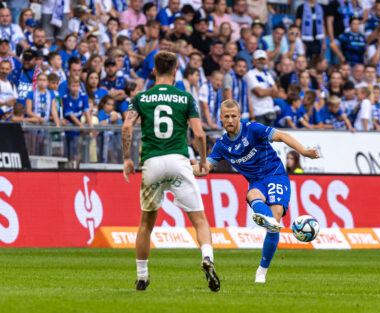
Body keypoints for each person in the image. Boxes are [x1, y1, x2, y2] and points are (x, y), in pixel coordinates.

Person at [121, 50, 220, 292]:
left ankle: (142, 277)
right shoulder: (185, 98)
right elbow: (199, 134)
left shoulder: (140, 98)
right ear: (176, 71)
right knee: (200, 221)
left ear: (153, 71)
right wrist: (203, 161)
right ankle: (207, 258)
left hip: (152, 163)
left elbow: (126, 127)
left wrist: (127, 159)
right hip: (179, 160)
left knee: (146, 224)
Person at [193, 98, 319, 283]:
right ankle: (267, 220)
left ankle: (262, 270)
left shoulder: (253, 129)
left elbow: (282, 136)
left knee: (275, 219)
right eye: (226, 116)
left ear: (239, 117)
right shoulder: (221, 145)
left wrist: (304, 151)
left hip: (275, 174)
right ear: (220, 118)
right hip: (256, 181)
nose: (230, 120)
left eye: (233, 116)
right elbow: (205, 169)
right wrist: (184, 170)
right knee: (252, 195)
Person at [246, 50, 277, 126]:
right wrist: (270, 90)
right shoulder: (250, 74)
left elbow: (276, 91)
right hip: (258, 113)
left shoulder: (267, 74)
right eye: (258, 59)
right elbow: (260, 93)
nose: (261, 61)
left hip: (270, 111)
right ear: (254, 60)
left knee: (270, 137)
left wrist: (265, 91)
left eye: (263, 59)